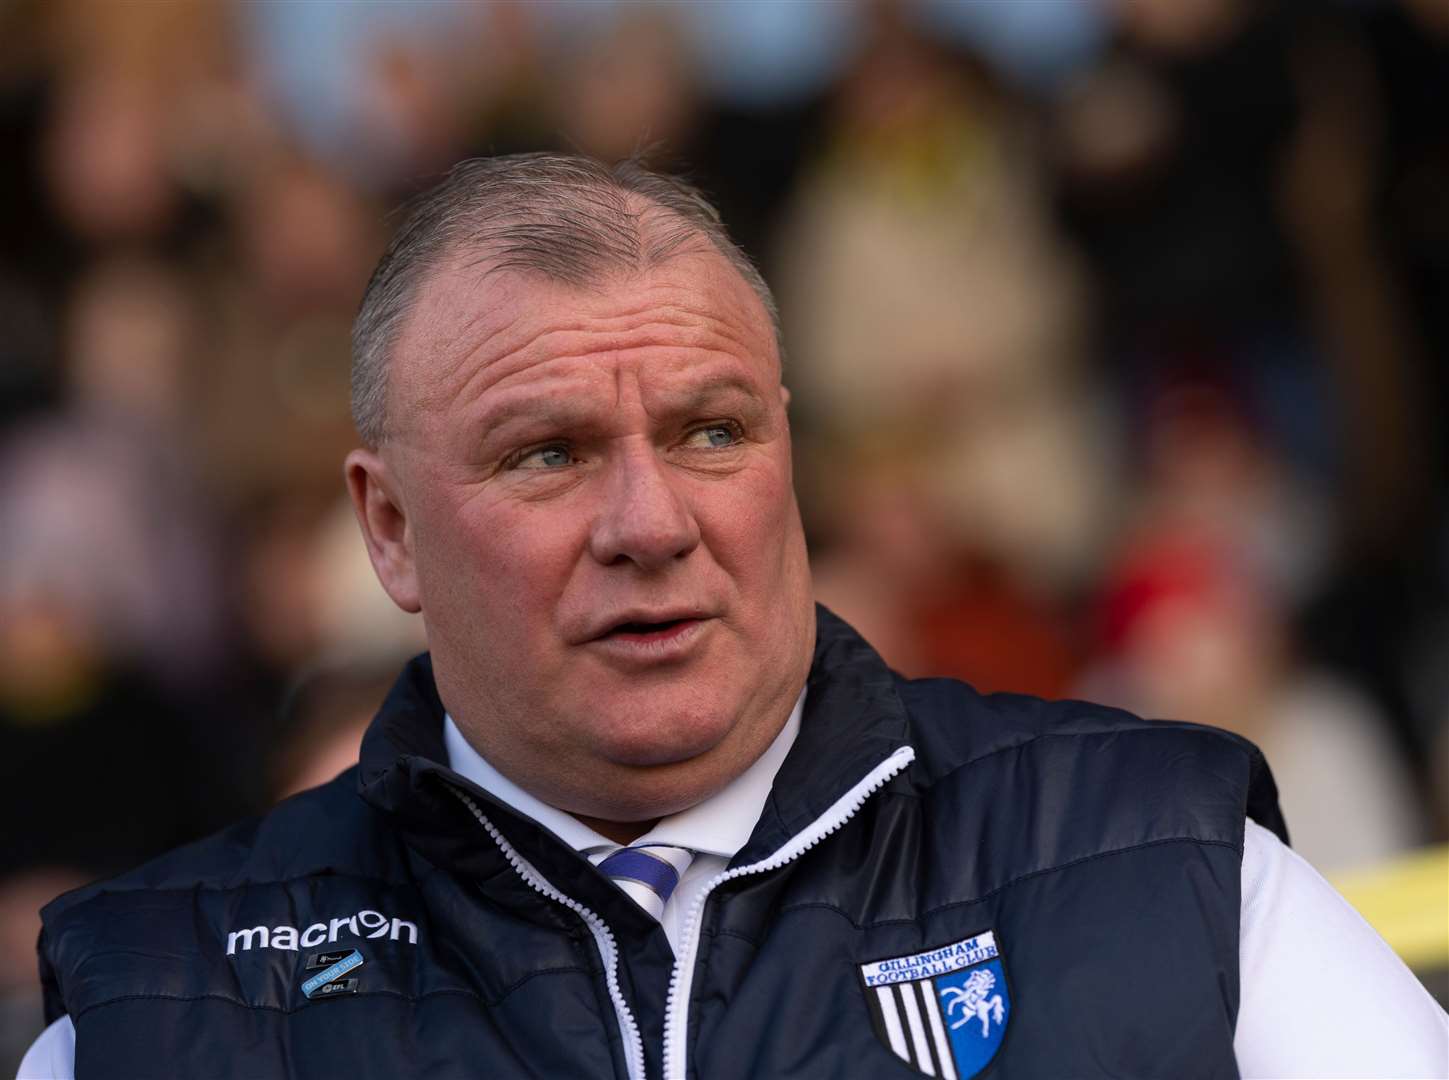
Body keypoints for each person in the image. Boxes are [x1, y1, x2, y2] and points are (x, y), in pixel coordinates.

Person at [19, 154, 1448, 1080]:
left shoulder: (1169, 869)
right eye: (548, 453)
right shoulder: (159, 1009)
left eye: (710, 433)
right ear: (387, 529)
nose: (651, 522)